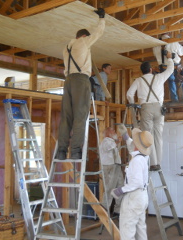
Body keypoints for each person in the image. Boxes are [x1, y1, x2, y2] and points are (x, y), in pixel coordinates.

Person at [55, 8, 105, 160]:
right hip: (80, 81)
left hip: (68, 81)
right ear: (83, 36)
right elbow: (98, 33)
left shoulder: (66, 48)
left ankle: (62, 151)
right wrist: (102, 18)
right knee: (80, 115)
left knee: (66, 117)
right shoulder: (83, 41)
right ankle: (76, 150)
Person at [126, 52, 174, 171]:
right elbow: (170, 69)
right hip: (159, 108)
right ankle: (158, 163)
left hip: (146, 108)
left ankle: (152, 163)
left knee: (148, 135)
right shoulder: (159, 77)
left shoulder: (139, 80)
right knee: (158, 136)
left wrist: (133, 105)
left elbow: (129, 94)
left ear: (142, 71)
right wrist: (169, 58)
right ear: (151, 70)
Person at [111, 124, 154, 240]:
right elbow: (133, 147)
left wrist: (120, 190)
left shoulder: (136, 161)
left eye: (134, 140)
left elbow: (137, 183)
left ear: (136, 145)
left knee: (127, 232)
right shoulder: (144, 156)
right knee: (141, 231)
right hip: (142, 197)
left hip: (133, 197)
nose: (133, 141)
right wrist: (125, 136)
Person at [153, 33, 183, 103]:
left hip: (165, 67)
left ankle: (175, 100)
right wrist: (182, 47)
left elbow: (156, 55)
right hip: (176, 66)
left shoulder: (155, 46)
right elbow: (181, 52)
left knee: (171, 82)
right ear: (169, 34)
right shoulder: (173, 42)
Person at [100, 127, 124, 216]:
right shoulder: (106, 141)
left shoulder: (112, 142)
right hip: (109, 166)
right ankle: (105, 209)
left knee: (120, 186)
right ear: (108, 133)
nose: (114, 131)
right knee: (109, 188)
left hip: (116, 166)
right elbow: (108, 148)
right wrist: (117, 142)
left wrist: (116, 142)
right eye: (112, 130)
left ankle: (117, 210)